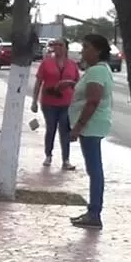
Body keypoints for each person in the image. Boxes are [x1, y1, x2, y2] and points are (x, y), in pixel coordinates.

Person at [68, 34, 116, 230]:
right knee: (94, 169)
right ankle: (93, 211)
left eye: (86, 47)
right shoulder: (100, 69)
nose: (83, 51)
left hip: (91, 126)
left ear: (97, 50)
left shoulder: (96, 71)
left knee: (94, 170)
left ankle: (94, 213)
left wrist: (78, 127)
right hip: (94, 125)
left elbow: (93, 101)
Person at [31, 38, 79, 170]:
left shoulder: (72, 64)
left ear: (66, 48)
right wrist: (34, 101)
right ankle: (48, 155)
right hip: (49, 102)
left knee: (65, 130)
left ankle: (66, 160)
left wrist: (69, 84)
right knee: (51, 128)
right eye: (55, 45)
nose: (57, 47)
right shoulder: (46, 63)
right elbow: (38, 82)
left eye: (60, 45)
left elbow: (77, 84)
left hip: (66, 103)